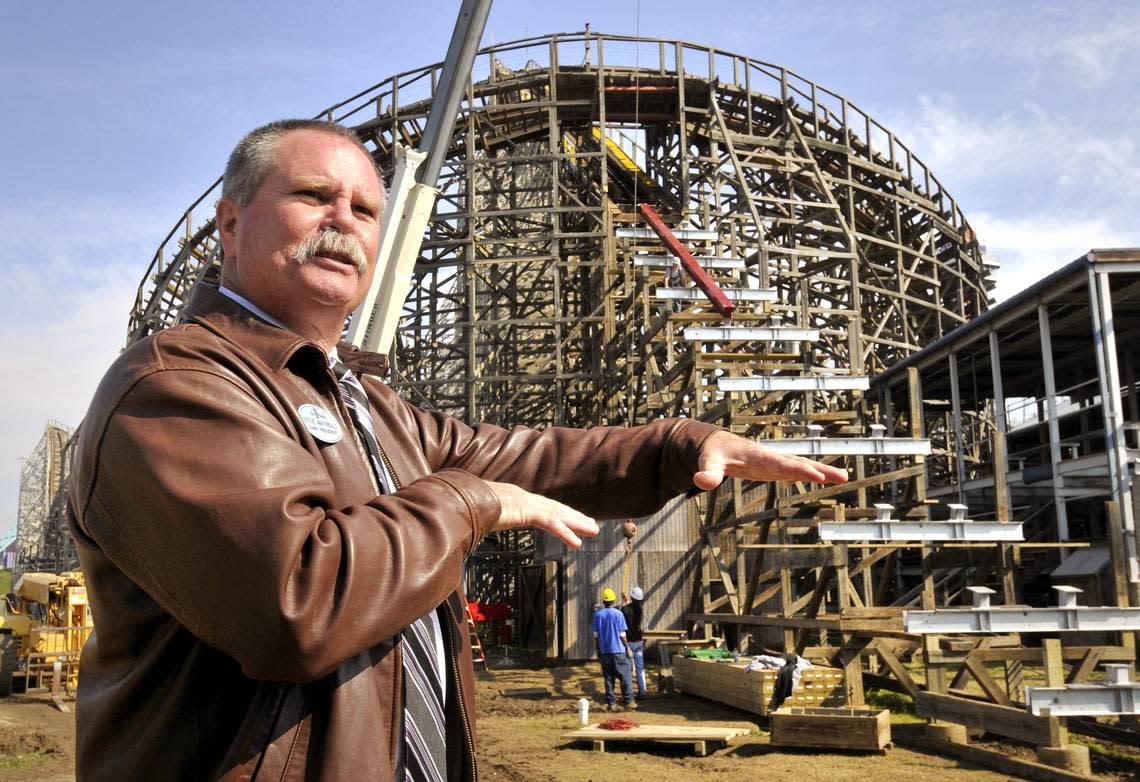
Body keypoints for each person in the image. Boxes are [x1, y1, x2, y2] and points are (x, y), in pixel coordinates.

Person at [67, 118, 848, 781]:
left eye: (367, 208)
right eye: (313, 196)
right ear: (230, 225)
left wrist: (681, 443)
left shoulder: (369, 405)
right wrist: (471, 503)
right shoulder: (175, 387)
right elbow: (296, 602)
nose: (345, 219)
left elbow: (532, 459)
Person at [591, 587, 635, 711]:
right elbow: (622, 634)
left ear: (604, 601)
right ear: (614, 600)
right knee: (625, 676)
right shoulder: (618, 614)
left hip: (605, 651)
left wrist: (598, 650)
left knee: (609, 678)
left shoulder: (597, 615)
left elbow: (595, 635)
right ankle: (629, 701)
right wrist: (627, 647)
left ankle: (611, 702)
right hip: (619, 651)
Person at [621, 585, 647, 698]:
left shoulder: (624, 610)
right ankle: (642, 691)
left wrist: (625, 601)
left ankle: (629, 693)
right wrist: (627, 600)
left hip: (629, 642)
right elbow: (631, 609)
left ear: (632, 597)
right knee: (640, 668)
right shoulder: (640, 610)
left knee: (627, 668)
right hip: (639, 641)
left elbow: (625, 612)